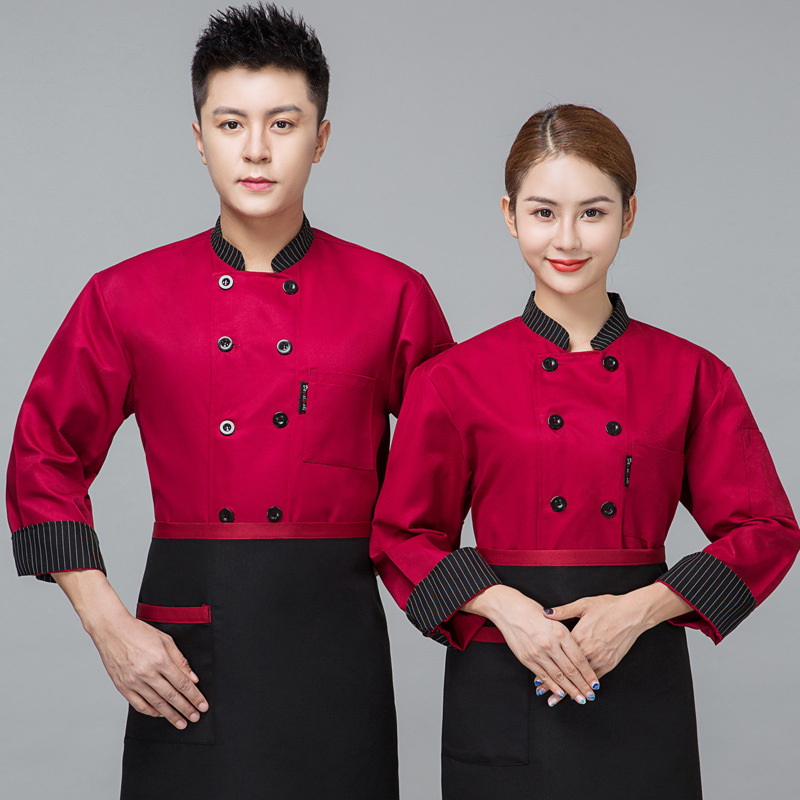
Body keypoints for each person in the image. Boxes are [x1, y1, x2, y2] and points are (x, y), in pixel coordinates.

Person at [6, 4, 453, 798]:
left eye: (283, 123)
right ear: (198, 136)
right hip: (185, 655)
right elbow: (43, 457)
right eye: (231, 123)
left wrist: (519, 603)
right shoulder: (125, 296)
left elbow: (458, 469)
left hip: (336, 658)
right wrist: (109, 626)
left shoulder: (394, 296)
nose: (255, 149)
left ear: (320, 138)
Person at [370, 103, 800, 799]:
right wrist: (508, 611)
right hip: (503, 679)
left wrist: (639, 610)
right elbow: (401, 536)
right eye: (543, 213)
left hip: (640, 682)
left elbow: (767, 529)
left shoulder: (692, 374)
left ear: (628, 217)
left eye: (593, 213)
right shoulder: (451, 380)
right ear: (510, 216)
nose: (566, 238)